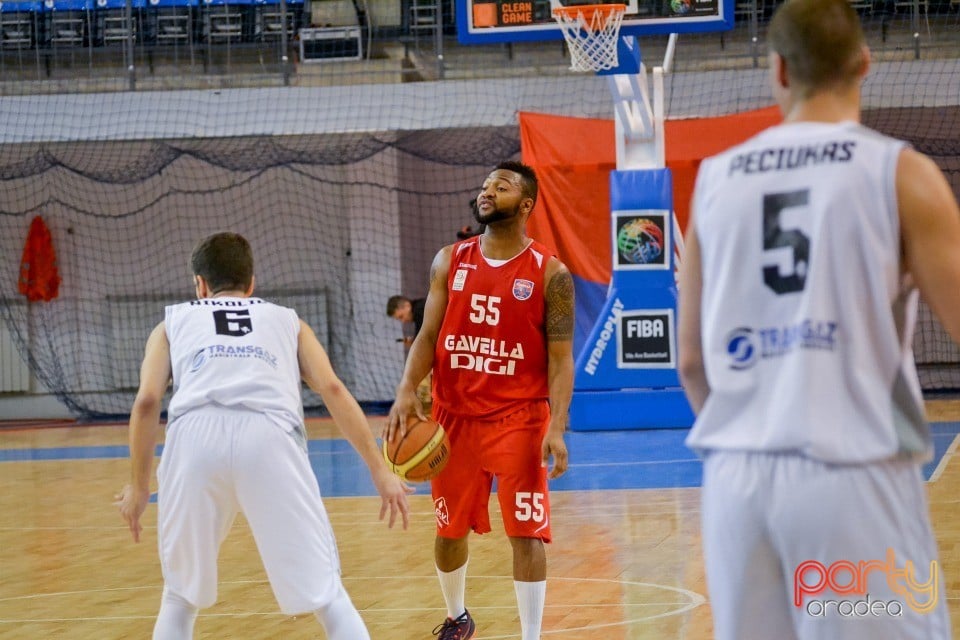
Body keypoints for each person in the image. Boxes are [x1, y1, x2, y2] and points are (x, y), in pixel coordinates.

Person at [677, 0, 960, 638]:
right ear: (864, 64)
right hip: (849, 472)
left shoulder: (717, 179)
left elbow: (691, 360)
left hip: (735, 482)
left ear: (777, 70)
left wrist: (753, 427)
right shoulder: (900, 173)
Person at [115, 232, 412, 640]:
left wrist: (138, 486)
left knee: (179, 597)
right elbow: (334, 390)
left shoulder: (172, 322)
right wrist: (380, 471)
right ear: (252, 282)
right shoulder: (288, 321)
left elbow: (147, 402)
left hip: (193, 440)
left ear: (199, 284)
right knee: (327, 595)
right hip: (270, 437)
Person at [386, 160, 575, 640]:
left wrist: (556, 426)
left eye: (503, 185)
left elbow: (560, 360)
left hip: (520, 418)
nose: (488, 191)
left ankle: (531, 635)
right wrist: (407, 389)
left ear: (526, 203)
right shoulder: (449, 260)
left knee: (527, 532)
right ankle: (457, 617)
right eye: (486, 184)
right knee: (449, 532)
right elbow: (428, 335)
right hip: (453, 419)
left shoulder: (551, 274)